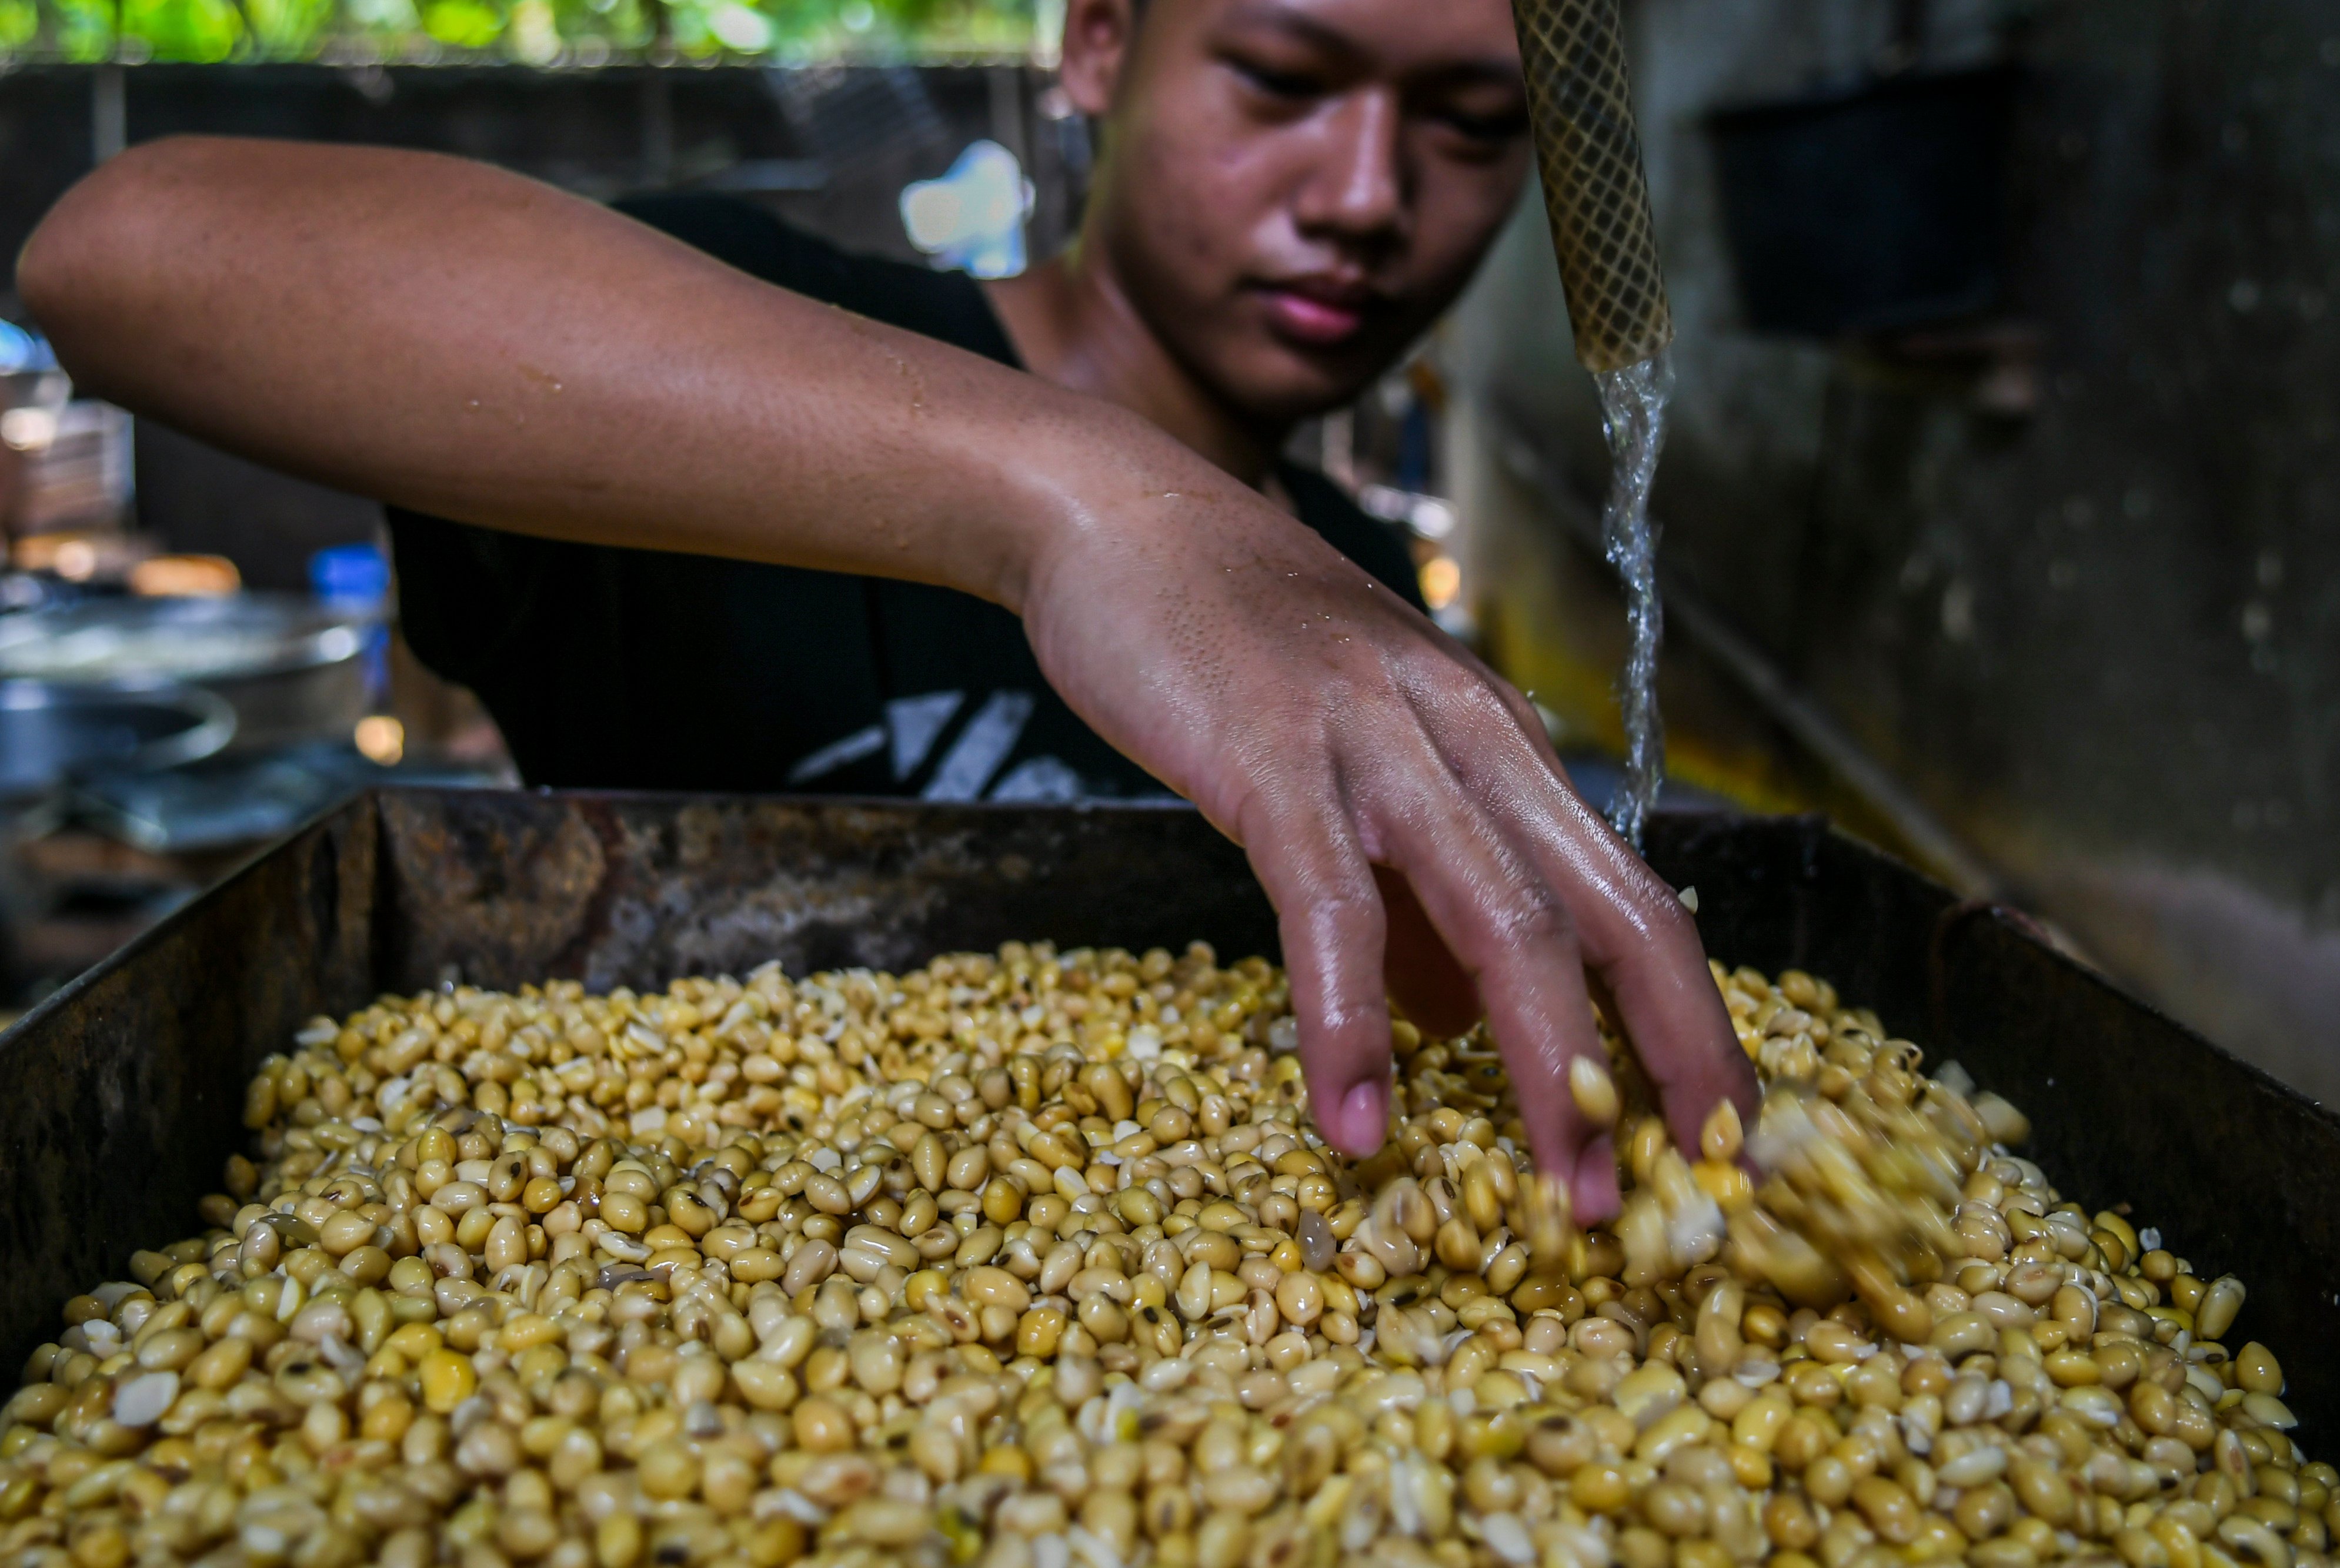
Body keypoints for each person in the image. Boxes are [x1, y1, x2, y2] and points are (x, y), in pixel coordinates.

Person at [19, 0, 1753, 1216]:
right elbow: (121, 251)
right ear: (1098, 41)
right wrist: (1078, 501)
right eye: (1285, 77)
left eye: (1470, 127)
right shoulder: (748, 330)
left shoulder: (1350, 609)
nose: (1367, 196)